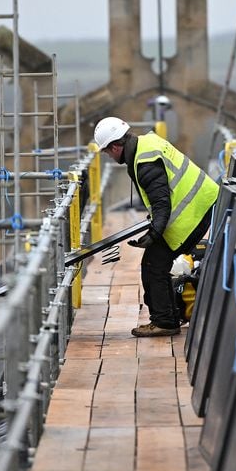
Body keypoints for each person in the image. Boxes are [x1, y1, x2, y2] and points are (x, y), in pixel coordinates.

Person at [93, 116, 219, 337]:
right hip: (201, 205)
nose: (108, 157)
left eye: (106, 152)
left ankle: (165, 322)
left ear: (114, 147)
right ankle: (167, 317)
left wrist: (154, 233)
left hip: (192, 214)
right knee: (155, 262)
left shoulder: (144, 162)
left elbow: (162, 202)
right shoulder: (147, 143)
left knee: (154, 264)